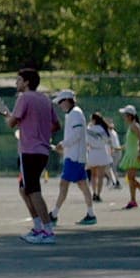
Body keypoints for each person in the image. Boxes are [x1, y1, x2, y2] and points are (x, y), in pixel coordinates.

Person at [0, 69, 57, 244]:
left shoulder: (24, 98)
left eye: (18, 80)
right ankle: (38, 227)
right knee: (24, 189)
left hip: (29, 152)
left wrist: (7, 116)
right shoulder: (45, 99)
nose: (16, 83)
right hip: (42, 151)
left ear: (26, 82)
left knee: (32, 191)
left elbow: (11, 123)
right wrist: (39, 132)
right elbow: (56, 125)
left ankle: (47, 231)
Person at [50, 90, 90, 227]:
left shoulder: (75, 113)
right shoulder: (73, 114)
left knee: (64, 184)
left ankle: (54, 215)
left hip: (74, 158)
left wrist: (63, 144)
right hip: (74, 156)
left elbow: (77, 134)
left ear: (67, 100)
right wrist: (64, 146)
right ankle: (91, 214)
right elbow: (74, 136)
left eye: (61, 102)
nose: (60, 105)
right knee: (83, 185)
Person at [85, 111, 119, 217]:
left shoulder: (90, 129)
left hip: (93, 152)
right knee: (100, 176)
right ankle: (98, 194)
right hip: (102, 152)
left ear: (94, 120)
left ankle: (93, 193)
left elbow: (86, 141)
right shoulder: (104, 129)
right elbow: (107, 140)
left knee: (93, 175)